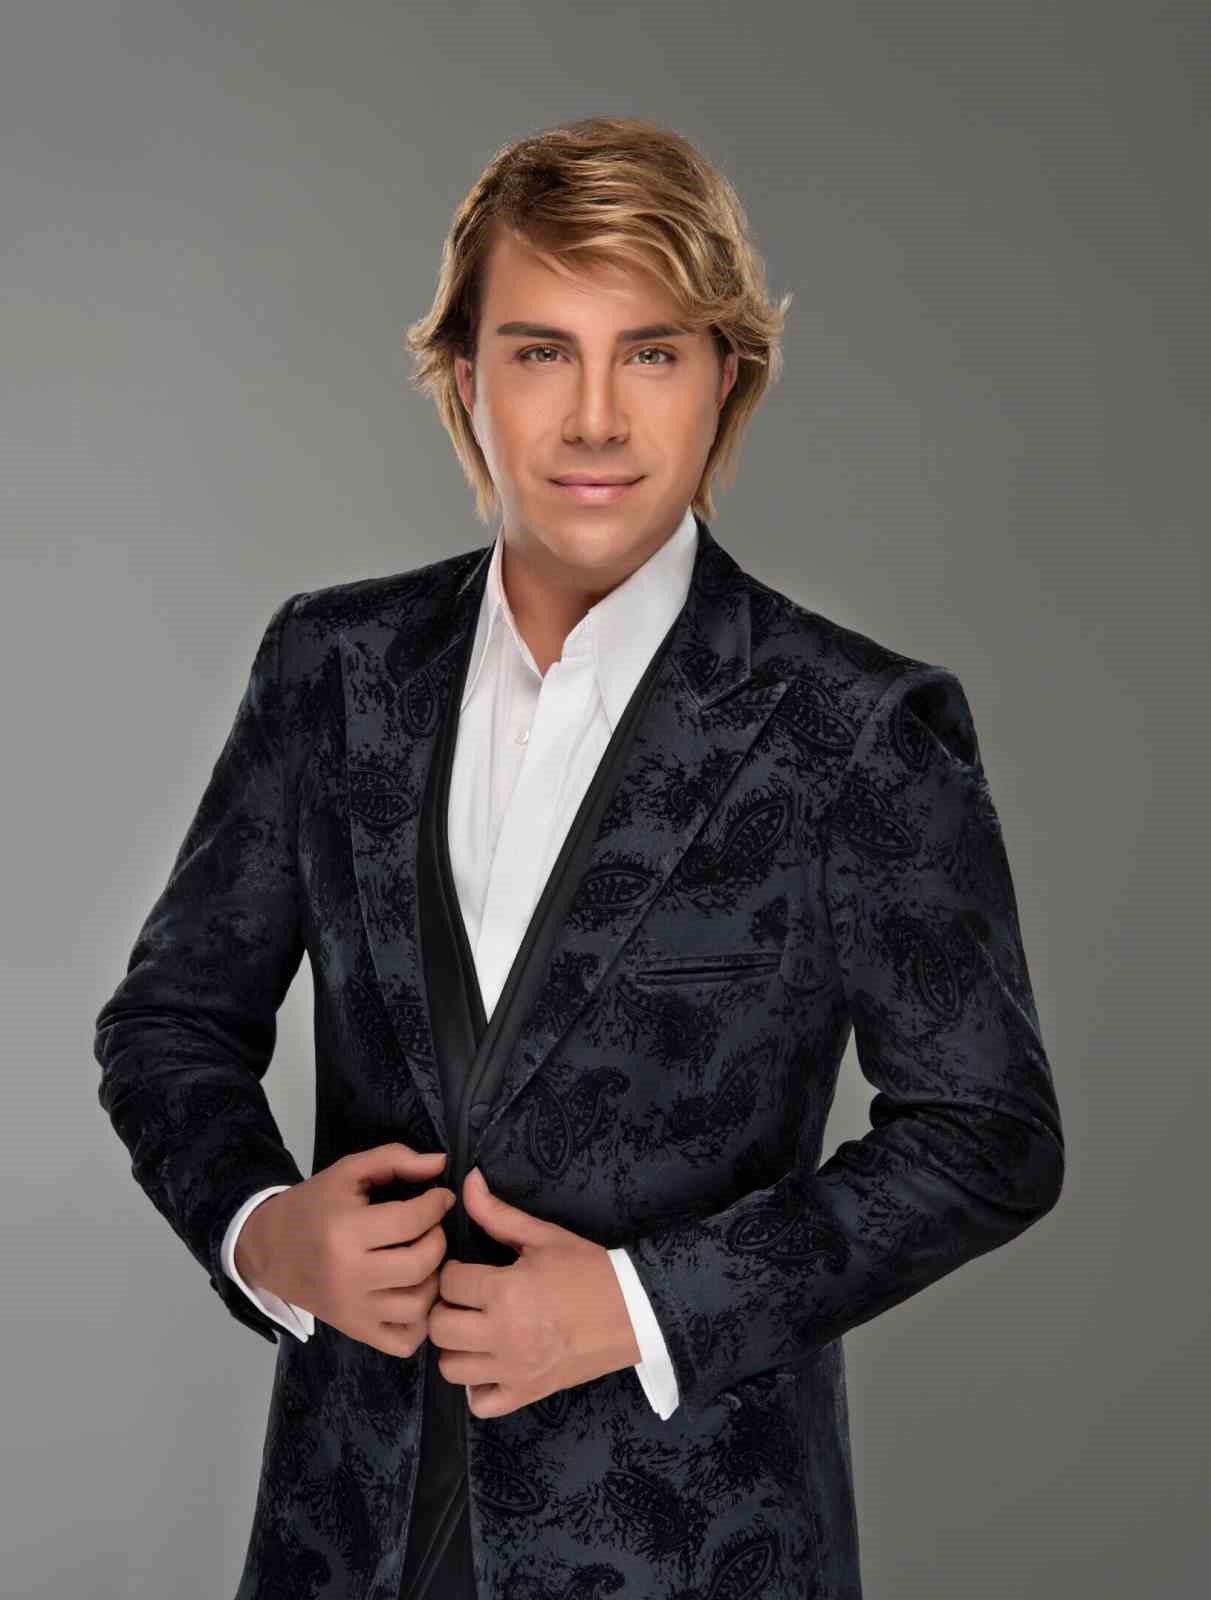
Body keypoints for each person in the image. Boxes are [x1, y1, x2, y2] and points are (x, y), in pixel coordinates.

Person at [94, 114, 1064, 1600]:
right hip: (344, 1538)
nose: (596, 418)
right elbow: (168, 1023)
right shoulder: (332, 668)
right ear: (464, 377)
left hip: (695, 1548)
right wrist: (260, 1231)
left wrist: (639, 1306)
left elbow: (988, 1134)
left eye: (651, 353)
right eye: (542, 351)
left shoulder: (855, 728)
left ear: (726, 377)